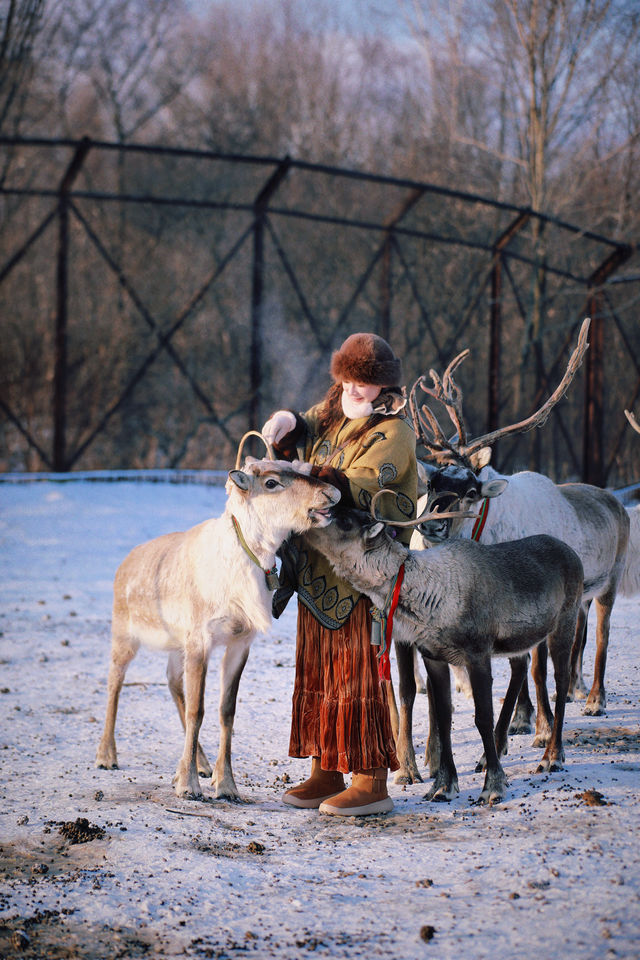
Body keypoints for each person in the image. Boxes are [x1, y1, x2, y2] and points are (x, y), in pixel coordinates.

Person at [261, 333, 417, 816]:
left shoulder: (394, 432)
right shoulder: (335, 406)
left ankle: (371, 781)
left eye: (364, 382)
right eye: (347, 378)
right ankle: (325, 769)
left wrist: (307, 473)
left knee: (359, 673)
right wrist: (287, 425)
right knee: (319, 669)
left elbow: (363, 483)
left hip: (362, 573)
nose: (352, 388)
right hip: (316, 569)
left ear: (383, 387)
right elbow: (306, 424)